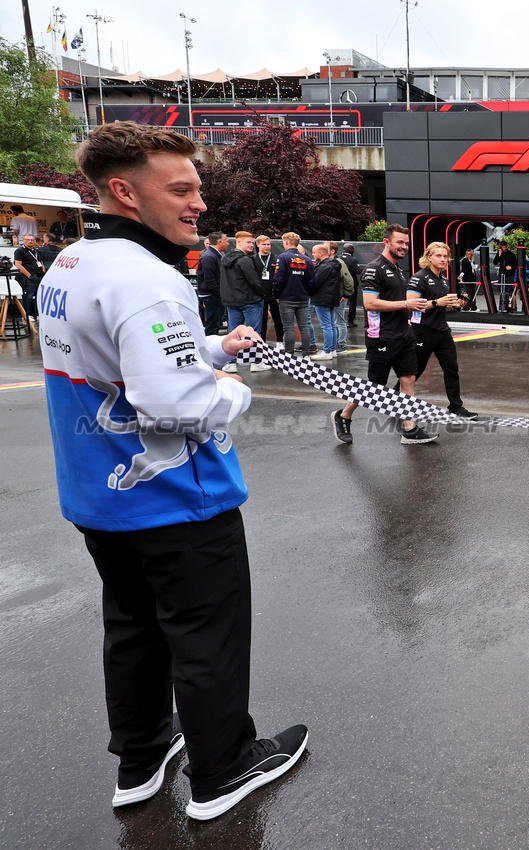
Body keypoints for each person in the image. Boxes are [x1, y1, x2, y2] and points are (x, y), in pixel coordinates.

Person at [39, 121, 306, 821]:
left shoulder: (71, 264)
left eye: (198, 189)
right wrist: (234, 389)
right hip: (177, 501)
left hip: (100, 497)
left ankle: (141, 757)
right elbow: (171, 399)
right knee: (205, 635)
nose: (199, 204)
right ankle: (222, 771)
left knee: (132, 628)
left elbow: (117, 360)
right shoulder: (149, 279)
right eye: (180, 188)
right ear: (124, 191)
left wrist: (210, 346)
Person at [332, 224, 432, 445]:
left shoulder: (397, 269)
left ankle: (410, 428)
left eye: (406, 243)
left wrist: (410, 310)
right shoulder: (374, 268)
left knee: (408, 378)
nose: (404, 246)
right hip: (382, 337)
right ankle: (343, 415)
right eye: (400, 242)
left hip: (403, 334)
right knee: (375, 386)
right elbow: (370, 303)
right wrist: (406, 303)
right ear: (386, 242)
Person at [407, 242, 479, 420]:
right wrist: (438, 303)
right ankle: (395, 401)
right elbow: (411, 305)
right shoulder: (419, 277)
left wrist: (453, 304)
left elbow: (440, 305)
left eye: (445, 256)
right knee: (414, 371)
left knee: (451, 368)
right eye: (439, 256)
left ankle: (456, 406)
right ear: (428, 257)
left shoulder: (444, 279)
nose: (443, 259)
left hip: (442, 331)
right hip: (422, 331)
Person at [219, 231, 270, 373]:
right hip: (249, 301)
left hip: (232, 302)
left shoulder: (224, 259)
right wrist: (262, 294)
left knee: (233, 334)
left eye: (252, 243)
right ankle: (256, 362)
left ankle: (231, 362)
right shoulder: (245, 260)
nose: (251, 245)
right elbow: (254, 281)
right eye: (248, 242)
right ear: (239, 242)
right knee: (253, 332)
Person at [271, 232, 316, 357]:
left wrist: (276, 295)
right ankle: (306, 355)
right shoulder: (307, 260)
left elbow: (278, 279)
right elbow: (312, 281)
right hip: (303, 298)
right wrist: (310, 294)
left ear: (286, 242)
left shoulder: (283, 258)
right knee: (304, 327)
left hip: (286, 298)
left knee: (289, 328)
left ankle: (289, 355)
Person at [309, 243, 344, 361]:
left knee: (326, 325)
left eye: (314, 252)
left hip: (322, 299)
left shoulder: (324, 267)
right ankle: (332, 349)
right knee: (331, 325)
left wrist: (309, 292)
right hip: (330, 298)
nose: (312, 254)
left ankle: (327, 350)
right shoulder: (333, 265)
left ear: (321, 253)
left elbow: (315, 283)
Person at [254, 235, 285, 344]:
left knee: (278, 319)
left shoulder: (276, 258)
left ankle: (280, 342)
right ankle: (262, 342)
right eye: (264, 244)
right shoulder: (253, 259)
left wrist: (279, 293)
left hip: (274, 294)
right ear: (258, 245)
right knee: (261, 320)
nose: (267, 247)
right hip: (260, 295)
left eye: (268, 244)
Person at [196, 231, 227, 335]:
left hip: (213, 295)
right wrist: (219, 294)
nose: (228, 243)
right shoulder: (209, 256)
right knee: (212, 323)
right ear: (219, 242)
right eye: (226, 241)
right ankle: (210, 345)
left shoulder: (214, 255)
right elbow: (209, 279)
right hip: (211, 295)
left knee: (216, 321)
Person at [13, 232, 45, 319]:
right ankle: (26, 315)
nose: (30, 241)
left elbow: (41, 262)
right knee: (28, 296)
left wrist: (43, 271)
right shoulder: (20, 251)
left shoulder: (37, 251)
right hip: (29, 276)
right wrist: (28, 275)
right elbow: (18, 264)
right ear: (23, 241)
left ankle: (38, 314)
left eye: (32, 240)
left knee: (39, 296)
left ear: (35, 241)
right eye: (27, 240)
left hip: (39, 275)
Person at [340, 243, 363, 326]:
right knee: (352, 303)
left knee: (339, 302)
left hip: (341, 283)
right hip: (352, 284)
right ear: (351, 250)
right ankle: (350, 321)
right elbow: (358, 271)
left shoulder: (339, 258)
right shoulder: (353, 259)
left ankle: (339, 320)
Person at [497, 241, 517, 311]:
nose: (505, 248)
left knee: (511, 291)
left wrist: (511, 267)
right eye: (503, 247)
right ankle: (502, 305)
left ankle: (513, 306)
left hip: (509, 275)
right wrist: (499, 255)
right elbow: (495, 262)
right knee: (501, 291)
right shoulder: (500, 254)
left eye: (505, 247)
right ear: (501, 247)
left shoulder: (511, 255)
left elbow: (516, 264)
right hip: (502, 274)